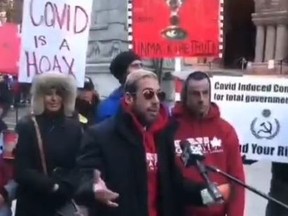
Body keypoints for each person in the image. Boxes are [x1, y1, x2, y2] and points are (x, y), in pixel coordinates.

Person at [76, 69, 229, 216]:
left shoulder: (163, 135)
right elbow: (82, 179)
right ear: (129, 98)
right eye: (148, 94)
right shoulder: (100, 135)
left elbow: (174, 185)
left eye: (159, 94)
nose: (156, 101)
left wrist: (206, 194)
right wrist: (93, 188)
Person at [172, 71, 245, 216]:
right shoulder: (170, 128)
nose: (201, 99)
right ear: (185, 96)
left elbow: (237, 179)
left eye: (205, 93)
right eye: (195, 94)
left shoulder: (225, 130)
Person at [14, 72, 83, 216]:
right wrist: (52, 186)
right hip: (33, 204)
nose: (54, 99)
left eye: (59, 93)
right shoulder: (26, 125)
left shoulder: (75, 127)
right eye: (48, 94)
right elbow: (21, 169)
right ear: (40, 96)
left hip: (62, 204)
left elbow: (80, 163)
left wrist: (69, 186)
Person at [96, 51, 142, 122]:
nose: (140, 70)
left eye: (141, 65)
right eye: (135, 66)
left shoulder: (151, 99)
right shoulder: (109, 107)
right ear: (123, 72)